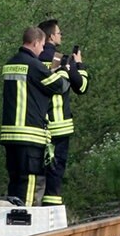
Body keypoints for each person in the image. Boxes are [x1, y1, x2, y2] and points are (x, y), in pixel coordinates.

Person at [1, 27, 70, 205]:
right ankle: (26, 227)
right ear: (36, 42)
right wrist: (63, 71)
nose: (42, 51)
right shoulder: (33, 65)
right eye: (41, 46)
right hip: (30, 135)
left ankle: (12, 225)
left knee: (15, 184)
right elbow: (60, 86)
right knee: (30, 184)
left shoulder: (11, 63)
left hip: (10, 136)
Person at [37, 19, 90, 207]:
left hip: (36, 128)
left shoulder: (32, 60)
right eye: (59, 33)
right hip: (59, 128)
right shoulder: (62, 60)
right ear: (51, 36)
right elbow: (82, 87)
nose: (61, 36)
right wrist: (79, 65)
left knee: (37, 171)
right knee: (55, 170)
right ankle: (52, 211)